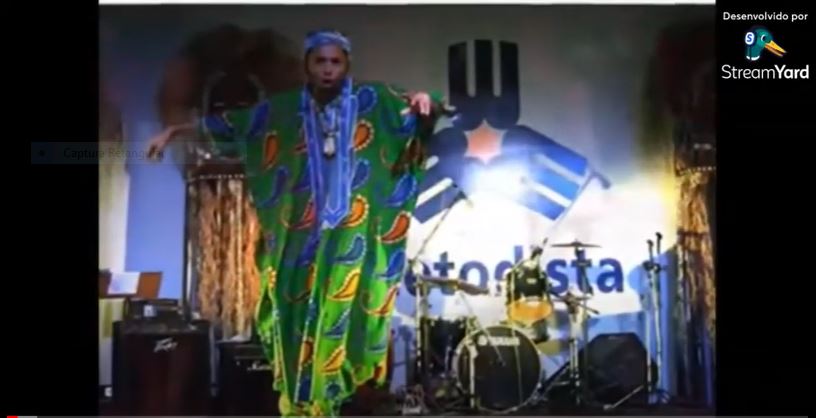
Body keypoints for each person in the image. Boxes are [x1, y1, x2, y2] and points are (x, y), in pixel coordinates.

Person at [147, 29, 451, 416]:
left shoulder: (372, 100)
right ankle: (302, 405)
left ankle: (327, 402)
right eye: (320, 61)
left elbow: (426, 108)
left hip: (350, 238)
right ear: (308, 65)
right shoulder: (283, 111)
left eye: (335, 62)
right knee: (293, 322)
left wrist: (429, 102)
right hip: (298, 239)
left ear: (347, 65)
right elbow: (233, 125)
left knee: (342, 317)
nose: (328, 69)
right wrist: (175, 130)